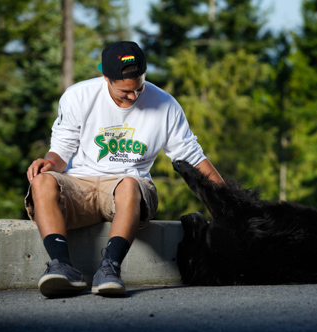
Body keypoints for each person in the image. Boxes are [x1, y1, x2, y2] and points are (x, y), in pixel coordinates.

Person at [25, 41, 223, 298]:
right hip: (81, 185)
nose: (133, 97)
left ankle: (110, 268)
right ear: (105, 77)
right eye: (124, 92)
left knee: (128, 183)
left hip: (130, 189)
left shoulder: (165, 105)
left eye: (139, 87)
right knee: (41, 181)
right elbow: (61, 151)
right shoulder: (78, 96)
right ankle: (62, 267)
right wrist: (49, 163)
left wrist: (228, 206)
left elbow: (193, 159)